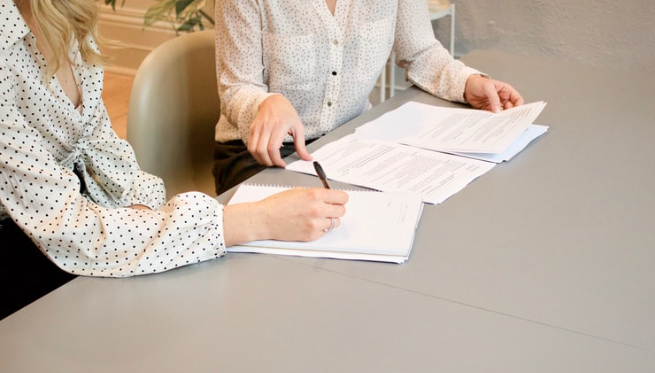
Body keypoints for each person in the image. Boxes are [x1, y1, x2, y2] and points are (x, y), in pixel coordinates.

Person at [0, 0, 348, 320]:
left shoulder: (64, 14)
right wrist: (257, 221)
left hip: (77, 223)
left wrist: (144, 210)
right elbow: (70, 228)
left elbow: (103, 150)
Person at [213, 0, 525, 195]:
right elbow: (237, 86)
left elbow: (420, 52)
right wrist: (265, 104)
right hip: (259, 154)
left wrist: (467, 81)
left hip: (348, 145)